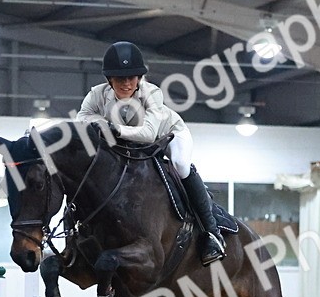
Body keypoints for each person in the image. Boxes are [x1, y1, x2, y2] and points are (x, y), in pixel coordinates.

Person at [76, 41, 225, 265]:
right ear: (109, 79)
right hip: (131, 143)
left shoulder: (152, 93)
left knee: (180, 165)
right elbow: (82, 117)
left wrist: (114, 129)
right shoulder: (97, 94)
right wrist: (102, 123)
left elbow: (148, 134)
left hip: (169, 135)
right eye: (120, 78)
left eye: (132, 78)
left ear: (139, 78)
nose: (127, 83)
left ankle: (212, 232)